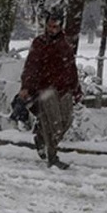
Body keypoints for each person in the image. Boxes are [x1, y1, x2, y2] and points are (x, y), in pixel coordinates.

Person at [18, 13, 82, 170]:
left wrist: (76, 88)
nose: (53, 29)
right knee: (54, 125)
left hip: (65, 88)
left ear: (61, 27)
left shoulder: (65, 44)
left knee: (66, 121)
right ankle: (52, 157)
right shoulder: (39, 43)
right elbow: (31, 66)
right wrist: (26, 86)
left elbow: (71, 67)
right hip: (46, 89)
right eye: (50, 26)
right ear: (46, 26)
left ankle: (40, 136)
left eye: (56, 26)